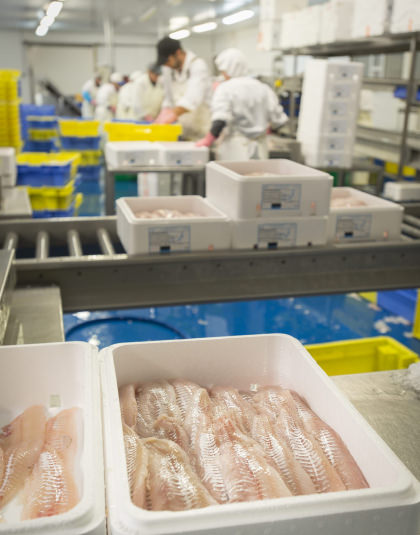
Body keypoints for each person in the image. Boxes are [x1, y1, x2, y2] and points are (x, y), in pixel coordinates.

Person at [196, 48, 288, 160]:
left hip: (235, 148)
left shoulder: (225, 88)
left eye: (223, 70)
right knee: (258, 176)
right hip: (261, 147)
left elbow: (220, 120)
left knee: (233, 176)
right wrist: (262, 127)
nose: (222, 74)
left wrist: (208, 139)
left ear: (228, 68)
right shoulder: (264, 88)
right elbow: (279, 120)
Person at [154, 36, 212, 140]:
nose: (167, 65)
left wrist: (172, 114)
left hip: (201, 131)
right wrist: (165, 111)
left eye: (168, 60)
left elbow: (193, 97)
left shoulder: (198, 65)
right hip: (183, 130)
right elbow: (168, 97)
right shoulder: (169, 69)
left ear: (178, 53)